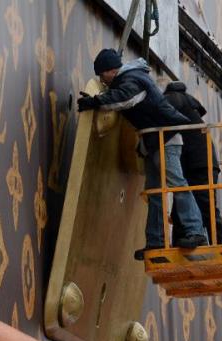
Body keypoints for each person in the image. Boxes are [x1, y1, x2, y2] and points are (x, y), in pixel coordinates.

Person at [77, 49, 208, 260]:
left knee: (176, 184)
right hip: (154, 141)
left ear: (111, 71)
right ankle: (155, 242)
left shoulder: (133, 79)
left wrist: (95, 101)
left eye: (102, 75)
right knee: (154, 193)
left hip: (166, 138)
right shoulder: (132, 77)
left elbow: (124, 100)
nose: (103, 80)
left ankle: (195, 231)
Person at [163, 81, 222, 245]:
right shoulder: (190, 106)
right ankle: (181, 242)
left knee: (205, 207)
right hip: (203, 162)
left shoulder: (174, 99)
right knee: (184, 205)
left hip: (198, 164)